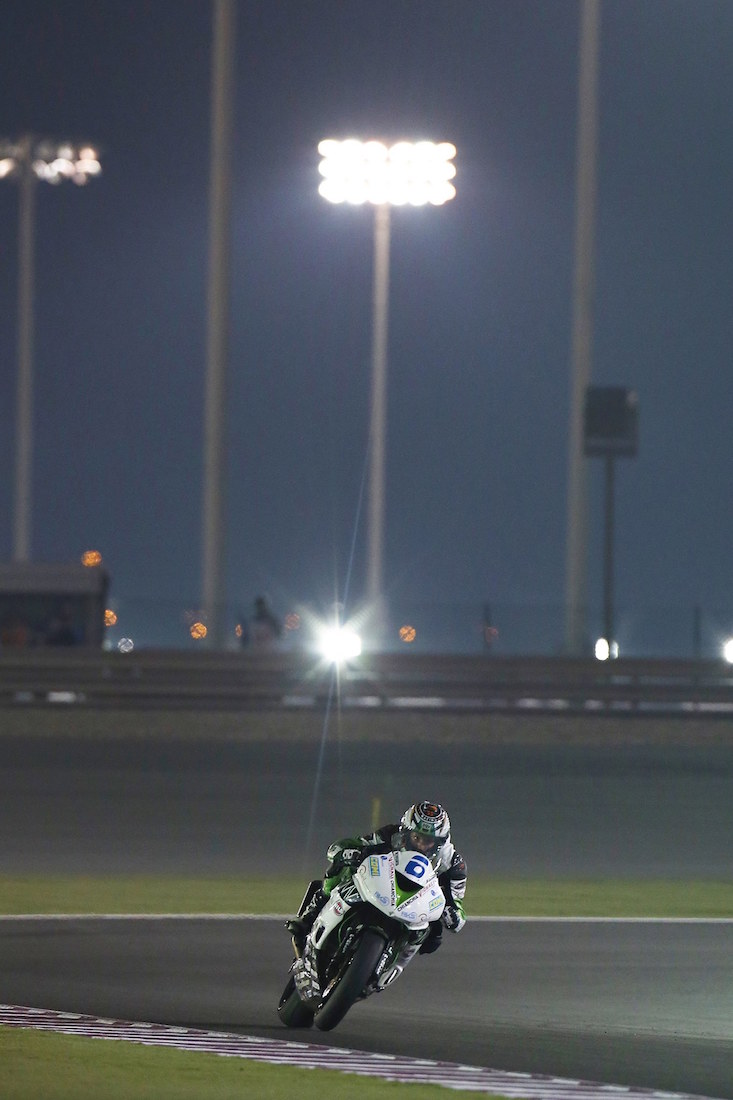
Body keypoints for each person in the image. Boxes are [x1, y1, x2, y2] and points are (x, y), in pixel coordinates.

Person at [287, 801, 467, 974]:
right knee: (344, 867)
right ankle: (312, 912)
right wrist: (351, 852)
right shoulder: (390, 834)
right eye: (416, 837)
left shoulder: (453, 864)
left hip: (416, 903)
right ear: (406, 831)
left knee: (432, 935)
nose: (421, 845)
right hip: (382, 884)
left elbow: (457, 904)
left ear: (440, 842)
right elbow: (346, 846)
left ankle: (392, 966)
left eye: (428, 841)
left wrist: (453, 914)